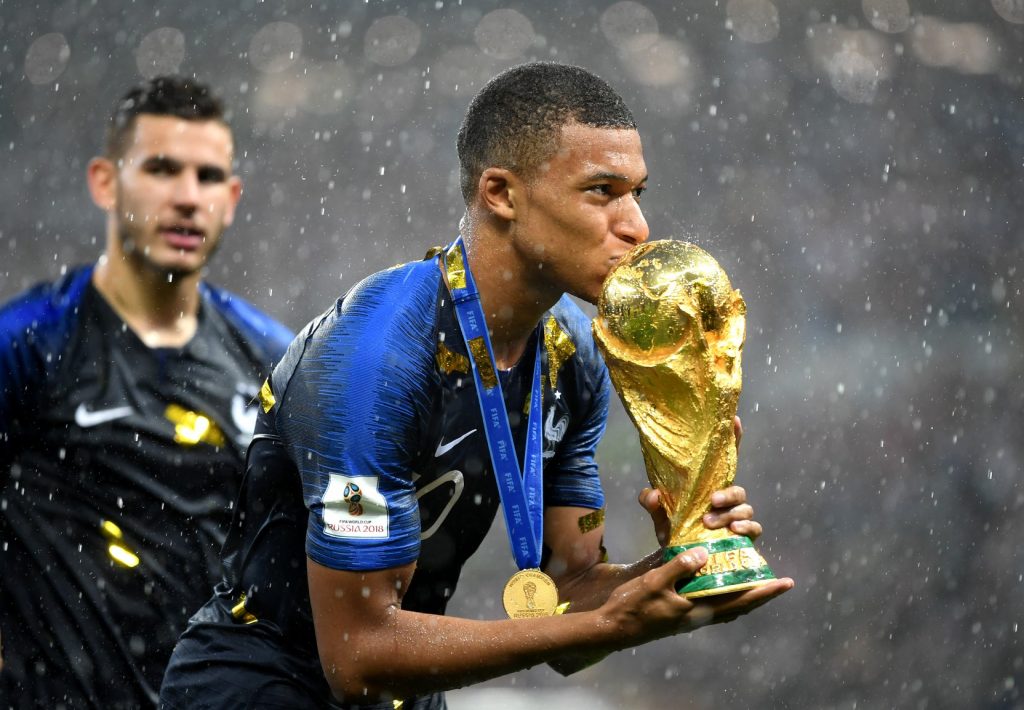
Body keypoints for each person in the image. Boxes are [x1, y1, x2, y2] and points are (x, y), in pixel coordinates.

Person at [159, 62, 793, 709]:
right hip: (258, 688)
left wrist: (679, 565)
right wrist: (609, 623)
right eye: (602, 191)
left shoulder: (573, 355)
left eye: (637, 193)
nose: (636, 227)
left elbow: (568, 608)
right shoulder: (376, 359)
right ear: (501, 194)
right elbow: (357, 658)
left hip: (409, 691)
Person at [0, 76, 293, 708]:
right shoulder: (26, 347)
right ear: (105, 182)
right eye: (162, 169)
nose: (187, 198)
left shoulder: (274, 362)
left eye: (208, 177)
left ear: (232, 198)